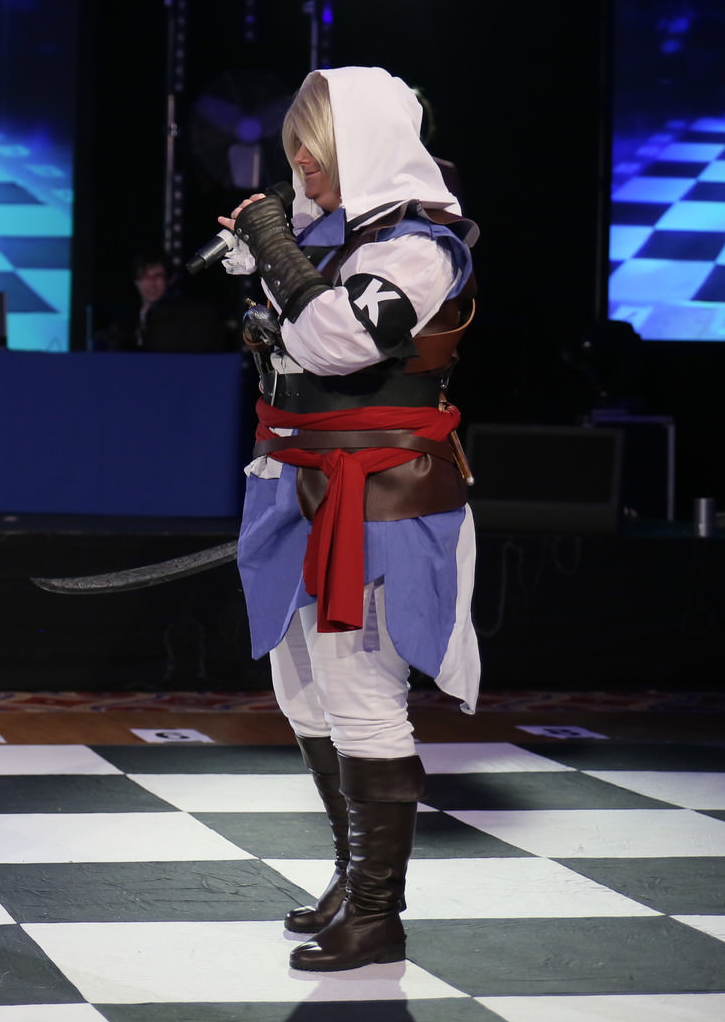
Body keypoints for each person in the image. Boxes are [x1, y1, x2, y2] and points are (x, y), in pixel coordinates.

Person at [214, 66, 479, 973]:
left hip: (379, 497)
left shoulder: (420, 247)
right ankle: (351, 876)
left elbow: (337, 341)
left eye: (318, 150)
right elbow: (296, 339)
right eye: (295, 148)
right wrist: (276, 265)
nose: (302, 165)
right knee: (304, 694)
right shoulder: (331, 242)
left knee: (361, 695)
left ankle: (377, 914)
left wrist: (275, 253)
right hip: (297, 485)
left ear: (365, 147)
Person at [103, 251, 232, 353]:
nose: (152, 283)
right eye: (145, 276)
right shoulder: (123, 321)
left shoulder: (188, 317)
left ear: (169, 280)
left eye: (158, 276)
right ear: (136, 281)